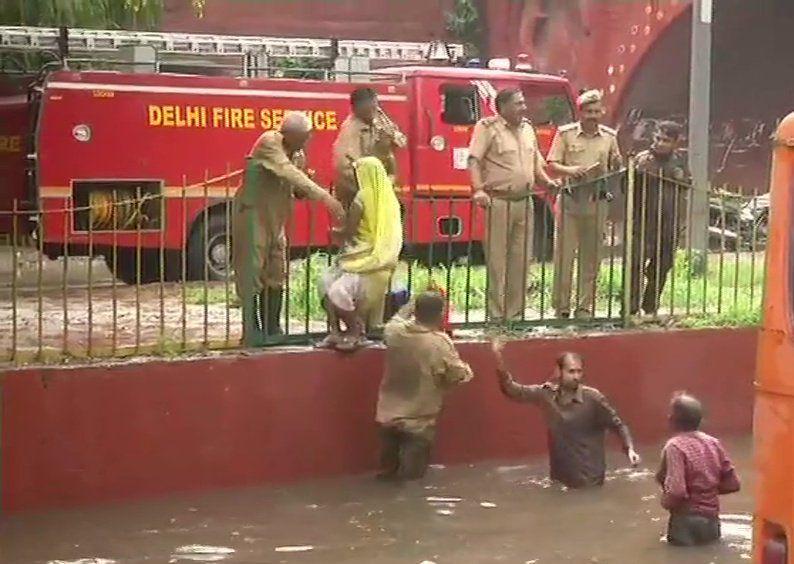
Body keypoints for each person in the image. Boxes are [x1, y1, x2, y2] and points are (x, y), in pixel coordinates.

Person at [233, 112, 344, 346]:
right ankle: (251, 331)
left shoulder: (299, 155)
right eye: (305, 136)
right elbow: (287, 172)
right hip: (253, 216)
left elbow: (296, 186)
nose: (309, 140)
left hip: (276, 218)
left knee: (276, 272)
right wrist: (325, 197)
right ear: (289, 135)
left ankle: (272, 328)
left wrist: (305, 187)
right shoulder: (269, 142)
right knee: (251, 272)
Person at [491, 338, 640, 487]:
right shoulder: (546, 395)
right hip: (560, 479)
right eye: (571, 371)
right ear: (558, 371)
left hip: (589, 480)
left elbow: (618, 425)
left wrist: (630, 449)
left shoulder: (593, 398)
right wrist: (498, 359)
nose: (576, 376)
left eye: (579, 371)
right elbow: (513, 391)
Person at [468, 87, 560, 322]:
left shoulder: (528, 128)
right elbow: (474, 160)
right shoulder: (488, 128)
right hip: (498, 201)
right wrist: (478, 189)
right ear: (504, 107)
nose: (524, 107)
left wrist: (548, 183)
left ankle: (516, 315)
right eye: (519, 103)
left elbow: (535, 163)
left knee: (521, 260)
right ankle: (496, 317)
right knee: (498, 261)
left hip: (525, 201)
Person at [376, 292, 474, 480]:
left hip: (387, 417)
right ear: (440, 315)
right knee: (412, 486)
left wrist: (411, 304)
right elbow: (457, 375)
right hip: (418, 422)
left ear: (415, 310)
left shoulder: (394, 332)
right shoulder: (439, 342)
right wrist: (467, 372)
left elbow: (397, 318)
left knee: (386, 477)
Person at [548, 89, 623, 319]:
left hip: (597, 201)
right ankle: (561, 308)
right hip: (571, 200)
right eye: (588, 111)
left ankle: (584, 308)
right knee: (564, 257)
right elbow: (551, 163)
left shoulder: (609, 137)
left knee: (591, 258)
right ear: (580, 112)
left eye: (596, 111)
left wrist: (612, 168)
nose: (593, 115)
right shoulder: (565, 134)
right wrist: (572, 170)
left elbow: (616, 166)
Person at [656, 392, 741, 547]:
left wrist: (664, 502)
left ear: (673, 419)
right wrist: (706, 490)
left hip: (685, 523)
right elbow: (733, 484)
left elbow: (677, 491)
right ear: (699, 420)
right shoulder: (714, 443)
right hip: (712, 522)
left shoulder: (675, 446)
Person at [331, 156, 403, 336]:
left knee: (333, 290)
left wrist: (336, 232)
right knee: (375, 301)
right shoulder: (389, 194)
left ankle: (348, 329)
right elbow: (393, 173)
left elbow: (349, 230)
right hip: (385, 256)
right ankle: (372, 325)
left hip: (361, 255)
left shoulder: (362, 197)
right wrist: (391, 155)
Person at [629, 121, 690, 316]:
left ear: (675, 143)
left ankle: (650, 307)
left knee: (662, 266)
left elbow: (687, 185)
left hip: (669, 223)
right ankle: (630, 309)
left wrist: (679, 177)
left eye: (666, 140)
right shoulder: (642, 160)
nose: (660, 144)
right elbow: (627, 188)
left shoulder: (679, 161)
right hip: (643, 222)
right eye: (658, 139)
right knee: (635, 265)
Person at [333, 87, 407, 207]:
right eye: (369, 109)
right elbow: (344, 168)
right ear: (356, 109)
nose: (374, 112)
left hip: (379, 188)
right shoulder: (350, 131)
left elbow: (401, 141)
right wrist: (371, 188)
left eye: (375, 106)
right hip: (359, 197)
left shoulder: (377, 117)